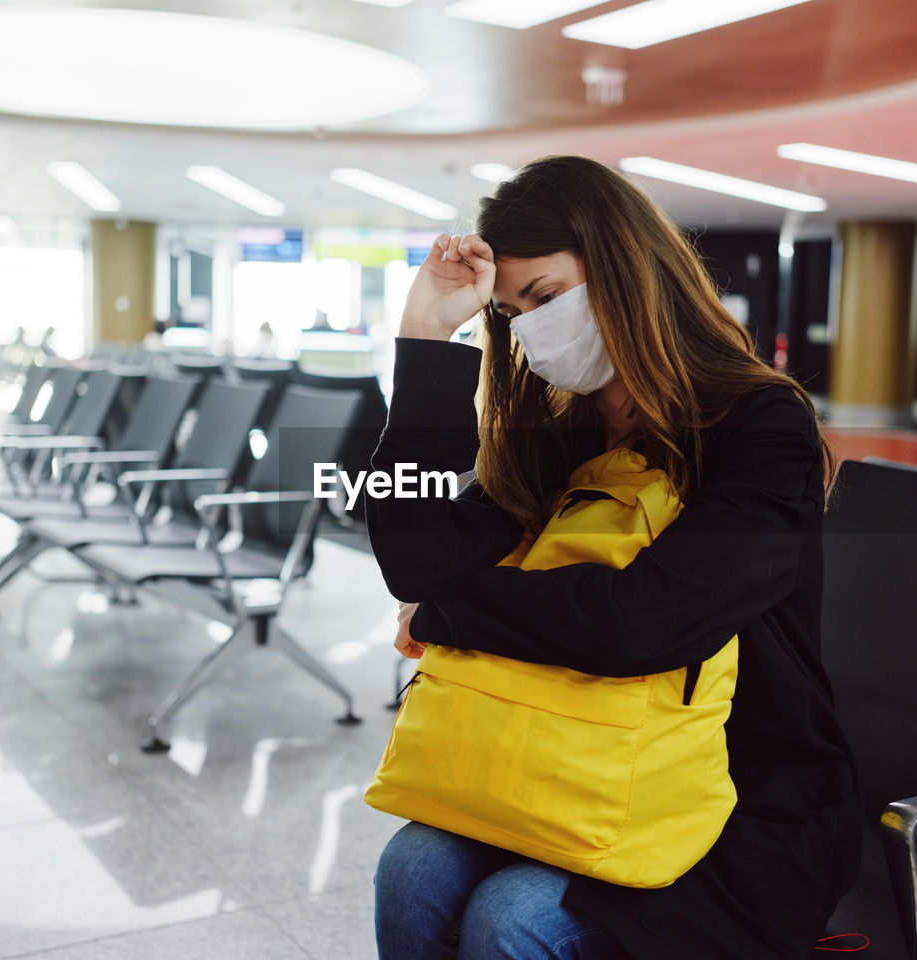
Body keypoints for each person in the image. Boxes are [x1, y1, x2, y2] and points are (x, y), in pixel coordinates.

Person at [367, 156, 862, 960]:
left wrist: (449, 616)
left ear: (628, 272)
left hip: (743, 799)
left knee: (512, 916)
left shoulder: (762, 427)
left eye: (547, 298)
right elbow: (415, 562)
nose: (529, 330)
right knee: (412, 868)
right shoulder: (559, 435)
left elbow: (640, 623)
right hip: (568, 762)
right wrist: (425, 340)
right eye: (510, 312)